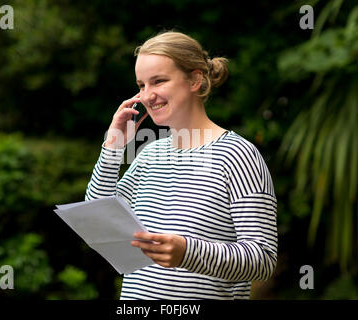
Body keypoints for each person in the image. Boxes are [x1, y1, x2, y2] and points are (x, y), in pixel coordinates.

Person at [85, 31, 278, 300]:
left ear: (195, 79)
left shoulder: (237, 155)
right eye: (141, 85)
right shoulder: (149, 154)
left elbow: (263, 259)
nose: (147, 96)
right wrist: (113, 146)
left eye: (159, 81)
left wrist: (188, 253)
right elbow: (98, 219)